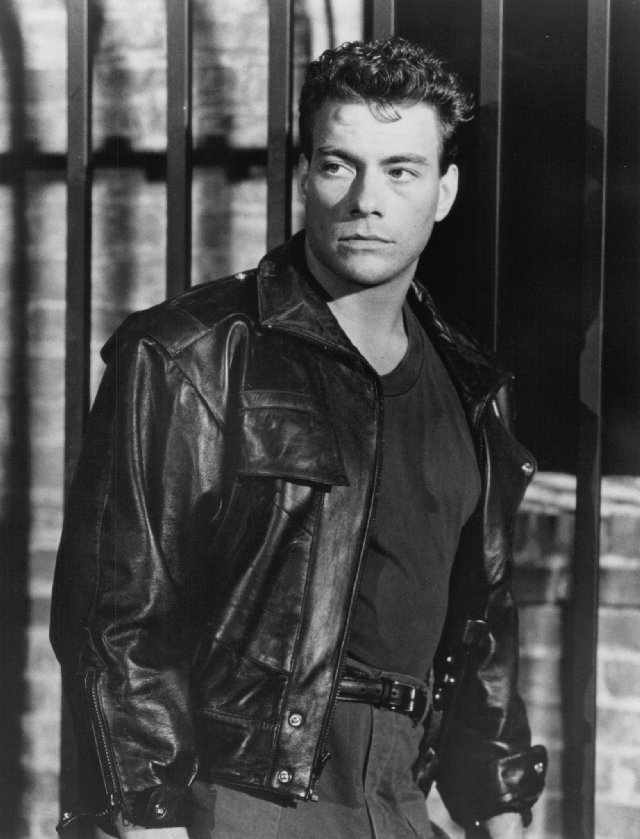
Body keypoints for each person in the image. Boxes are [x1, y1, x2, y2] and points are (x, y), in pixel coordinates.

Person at [51, 37, 547, 839]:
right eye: (339, 164)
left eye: (401, 170)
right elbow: (116, 612)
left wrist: (494, 792)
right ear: (307, 176)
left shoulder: (471, 386)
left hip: (399, 795)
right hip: (238, 794)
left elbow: (483, 612)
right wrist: (148, 815)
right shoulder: (192, 353)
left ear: (444, 191)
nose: (366, 199)